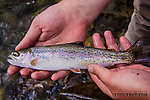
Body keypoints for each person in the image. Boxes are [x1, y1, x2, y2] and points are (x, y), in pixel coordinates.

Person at [7, 0, 150, 99]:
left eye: (17, 54)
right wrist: (73, 10)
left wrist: (144, 92)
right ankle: (134, 56)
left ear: (28, 55)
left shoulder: (35, 57)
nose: (14, 56)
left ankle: (132, 56)